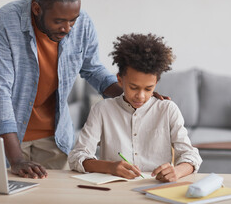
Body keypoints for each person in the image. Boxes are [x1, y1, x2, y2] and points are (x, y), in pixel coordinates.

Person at [0, 0, 167, 179]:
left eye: (72, 21)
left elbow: (93, 70)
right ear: (36, 9)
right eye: (59, 21)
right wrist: (16, 160)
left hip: (54, 135)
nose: (67, 29)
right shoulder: (5, 23)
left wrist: (133, 93)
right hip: (7, 135)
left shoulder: (82, 23)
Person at [68, 33, 202, 182]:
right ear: (119, 79)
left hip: (155, 187)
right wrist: (110, 167)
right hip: (114, 190)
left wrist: (177, 171)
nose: (141, 96)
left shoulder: (167, 110)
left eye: (148, 88)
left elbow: (192, 156)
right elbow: (76, 157)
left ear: (156, 83)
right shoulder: (102, 110)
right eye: (133, 87)